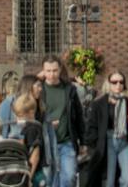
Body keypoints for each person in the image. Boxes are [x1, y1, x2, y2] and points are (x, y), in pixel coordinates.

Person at [84, 70, 128, 187]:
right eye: (114, 82)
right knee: (109, 180)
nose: (118, 85)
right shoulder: (99, 103)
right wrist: (93, 145)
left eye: (121, 82)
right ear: (108, 84)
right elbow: (92, 125)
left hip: (125, 141)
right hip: (108, 142)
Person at [35, 58, 88, 187]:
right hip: (47, 142)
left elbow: (79, 116)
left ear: (60, 70)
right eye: (48, 71)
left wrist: (83, 142)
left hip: (66, 141)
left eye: (54, 70)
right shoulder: (38, 89)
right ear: (43, 71)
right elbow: (23, 89)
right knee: (50, 179)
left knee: (69, 177)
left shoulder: (69, 89)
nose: (52, 74)